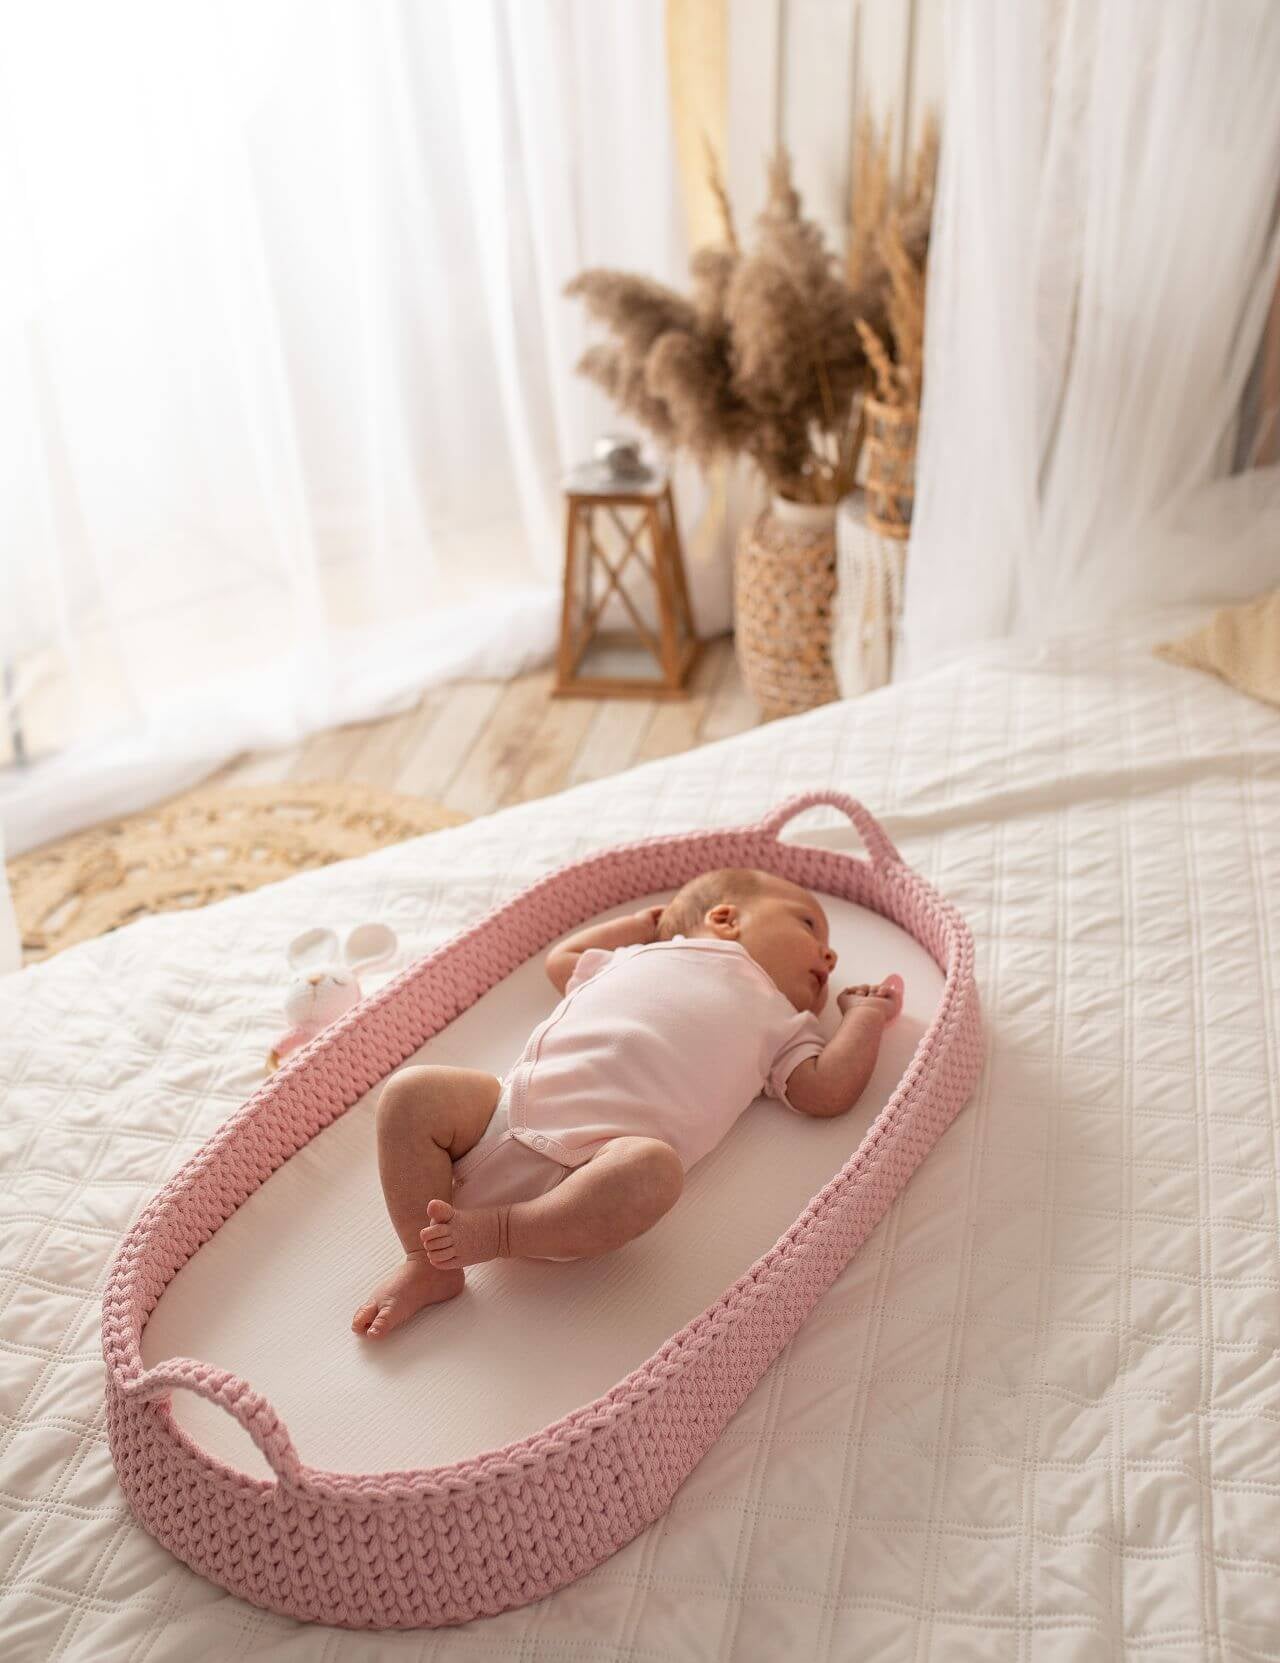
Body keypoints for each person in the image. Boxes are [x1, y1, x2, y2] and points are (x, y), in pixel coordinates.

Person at [352, 867, 904, 1339]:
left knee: (654, 1169)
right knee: (410, 1093)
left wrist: (863, 1019)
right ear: (724, 919)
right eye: (809, 925)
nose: (830, 956)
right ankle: (426, 1262)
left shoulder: (783, 1022)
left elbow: (826, 1090)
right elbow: (561, 961)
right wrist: (646, 924)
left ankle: (497, 1232)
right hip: (503, 1115)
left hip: (593, 1174)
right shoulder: (639, 955)